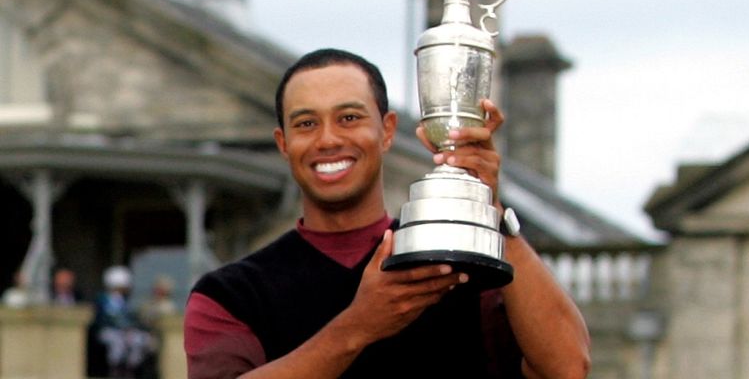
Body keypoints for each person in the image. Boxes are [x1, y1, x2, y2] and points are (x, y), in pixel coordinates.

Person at [184, 48, 591, 378]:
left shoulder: (455, 264)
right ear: (283, 142)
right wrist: (360, 325)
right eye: (306, 123)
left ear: (388, 130)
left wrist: (492, 211)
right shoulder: (229, 294)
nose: (328, 139)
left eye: (349, 118)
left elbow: (567, 367)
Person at [91, 265, 153, 378]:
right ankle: (115, 371)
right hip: (108, 331)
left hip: (126, 331)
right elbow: (106, 318)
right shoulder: (103, 299)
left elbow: (131, 318)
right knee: (118, 341)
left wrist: (132, 327)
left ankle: (130, 370)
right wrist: (123, 327)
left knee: (139, 339)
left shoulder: (124, 300)